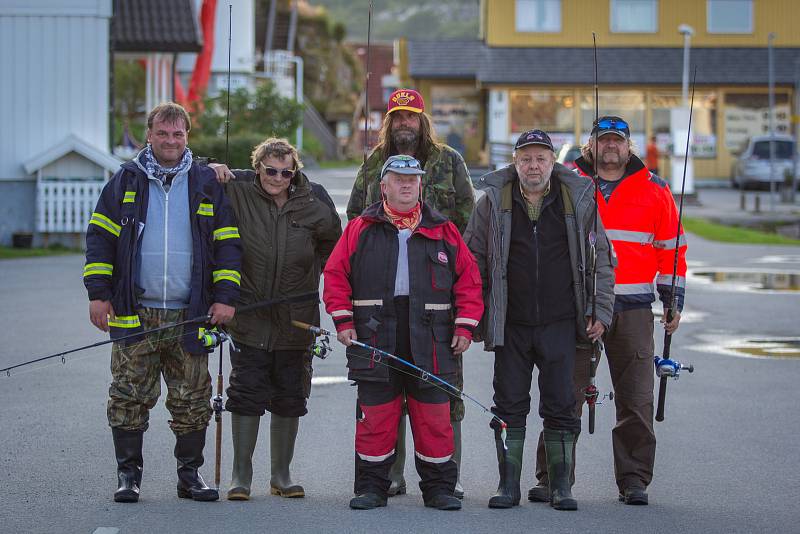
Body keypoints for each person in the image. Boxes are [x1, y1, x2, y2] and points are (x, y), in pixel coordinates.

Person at [84, 102, 242, 503]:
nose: (170, 141)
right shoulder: (124, 181)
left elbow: (227, 246)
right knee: (128, 395)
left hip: (192, 315)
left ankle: (190, 476)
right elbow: (100, 239)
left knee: (193, 397)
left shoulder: (205, 181)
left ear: (187, 136)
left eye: (178, 134)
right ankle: (128, 476)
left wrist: (225, 298)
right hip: (132, 311)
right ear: (149, 135)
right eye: (163, 133)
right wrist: (99, 294)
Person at [533, 116, 687, 506]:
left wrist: (674, 300)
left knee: (635, 398)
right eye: (604, 140)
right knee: (565, 391)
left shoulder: (655, 190)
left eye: (618, 141)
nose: (611, 147)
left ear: (629, 146)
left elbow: (672, 251)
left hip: (633, 308)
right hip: (578, 305)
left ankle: (634, 480)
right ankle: (552, 476)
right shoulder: (566, 182)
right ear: (591, 145)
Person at [464, 129, 615, 511]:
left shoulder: (578, 200)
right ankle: (508, 485)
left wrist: (600, 311)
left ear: (553, 162)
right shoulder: (492, 202)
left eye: (541, 159)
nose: (534, 165)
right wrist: (471, 316)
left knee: (562, 403)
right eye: (526, 158)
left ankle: (561, 487)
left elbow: (603, 263)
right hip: (510, 322)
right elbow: (471, 261)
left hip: (562, 322)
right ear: (516, 162)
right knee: (509, 404)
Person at [323, 155, 483, 511]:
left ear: (421, 184)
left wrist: (465, 326)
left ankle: (439, 489)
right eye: (398, 178)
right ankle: (371, 488)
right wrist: (344, 321)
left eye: (413, 178)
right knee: (376, 417)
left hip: (432, 338)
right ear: (384, 186)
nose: (407, 184)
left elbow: (470, 283)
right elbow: (335, 275)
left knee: (434, 418)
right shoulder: (360, 228)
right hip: (375, 334)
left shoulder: (444, 230)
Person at [346, 88, 476, 498]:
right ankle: (388, 476)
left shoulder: (449, 161)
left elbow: (467, 225)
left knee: (439, 395)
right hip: (381, 304)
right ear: (389, 121)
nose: (405, 123)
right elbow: (354, 216)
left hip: (437, 299)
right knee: (381, 391)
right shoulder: (373, 163)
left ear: (422, 120)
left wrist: (462, 303)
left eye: (411, 116)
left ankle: (443, 479)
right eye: (398, 117)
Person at [205, 139, 342, 501]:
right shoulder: (237, 189)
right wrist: (209, 167)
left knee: (289, 394)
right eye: (270, 170)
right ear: (257, 167)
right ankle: (241, 475)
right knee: (246, 392)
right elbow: (194, 178)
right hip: (249, 314)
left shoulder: (316, 200)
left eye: (286, 171)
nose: (278, 178)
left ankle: (281, 475)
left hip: (296, 317)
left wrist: (313, 270)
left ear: (294, 171)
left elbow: (335, 243)